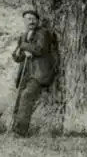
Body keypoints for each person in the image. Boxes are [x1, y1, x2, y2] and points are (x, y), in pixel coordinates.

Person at [11, 9, 57, 137]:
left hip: (39, 73)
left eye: (33, 19)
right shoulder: (23, 36)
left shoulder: (43, 33)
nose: (31, 21)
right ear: (24, 21)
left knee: (27, 96)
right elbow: (16, 57)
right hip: (26, 73)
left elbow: (40, 49)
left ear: (37, 20)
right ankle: (14, 126)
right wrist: (21, 52)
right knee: (19, 97)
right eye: (28, 19)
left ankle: (20, 132)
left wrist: (24, 46)